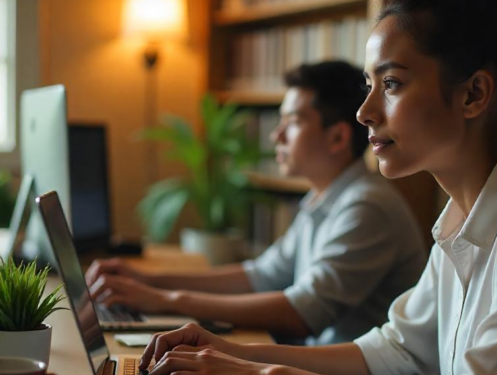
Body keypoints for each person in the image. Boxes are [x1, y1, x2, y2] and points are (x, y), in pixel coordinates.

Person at [131, 0, 497, 375]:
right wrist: (229, 353)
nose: (364, 111)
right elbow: (395, 351)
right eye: (369, 84)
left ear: (473, 94)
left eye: (390, 83)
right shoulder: (462, 217)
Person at [86, 60, 426, 345]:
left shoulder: (367, 207)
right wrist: (146, 281)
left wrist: (163, 300)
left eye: (291, 123)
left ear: (338, 136)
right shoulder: (325, 197)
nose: (275, 135)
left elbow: (300, 314)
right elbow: (260, 275)